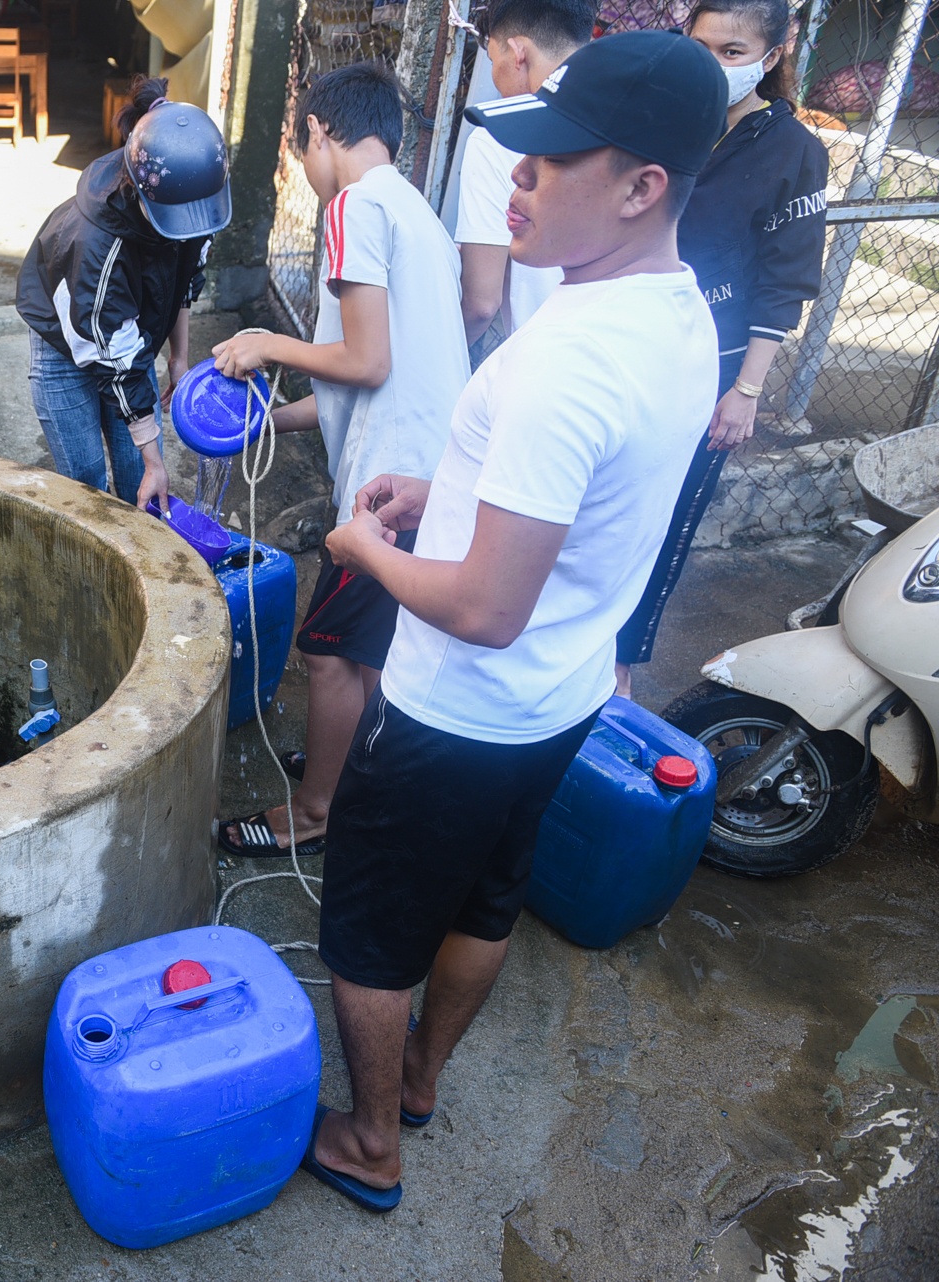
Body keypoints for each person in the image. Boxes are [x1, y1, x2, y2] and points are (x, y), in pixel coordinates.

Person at [298, 32, 725, 1211]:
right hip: (562, 699)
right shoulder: (679, 314)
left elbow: (485, 607)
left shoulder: (567, 362)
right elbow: (590, 497)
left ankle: (370, 1140)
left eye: (550, 162)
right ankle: (423, 1082)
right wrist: (447, 495)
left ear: (641, 187)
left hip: (452, 712)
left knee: (370, 936)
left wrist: (364, 549)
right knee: (486, 898)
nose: (516, 182)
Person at [207, 62, 470, 859]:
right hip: (432, 472)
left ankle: (316, 813)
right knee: (369, 651)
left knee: (326, 654)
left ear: (320, 129)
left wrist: (264, 343)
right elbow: (353, 381)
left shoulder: (355, 204)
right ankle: (349, 770)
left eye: (302, 151)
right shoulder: (415, 210)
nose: (309, 171)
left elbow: (364, 362)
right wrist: (268, 423)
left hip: (389, 491)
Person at [615, 0, 829, 694]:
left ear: (771, 57)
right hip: (628, 342)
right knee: (600, 501)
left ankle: (616, 671)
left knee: (666, 521)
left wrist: (746, 393)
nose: (713, 66)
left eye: (732, 53)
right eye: (700, 47)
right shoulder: (666, 120)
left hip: (714, 369)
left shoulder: (795, 152)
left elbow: (785, 283)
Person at [16, 78, 230, 511]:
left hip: (125, 338)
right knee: (86, 483)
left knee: (139, 475)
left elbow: (187, 279)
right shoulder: (95, 246)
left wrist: (179, 358)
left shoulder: (193, 194)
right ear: (140, 194)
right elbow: (120, 366)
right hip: (67, 344)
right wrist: (156, 461)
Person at [454, 0, 593, 344]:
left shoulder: (493, 140)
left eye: (491, 58)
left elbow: (481, 304)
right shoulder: (633, 118)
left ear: (517, 53)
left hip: (543, 357)